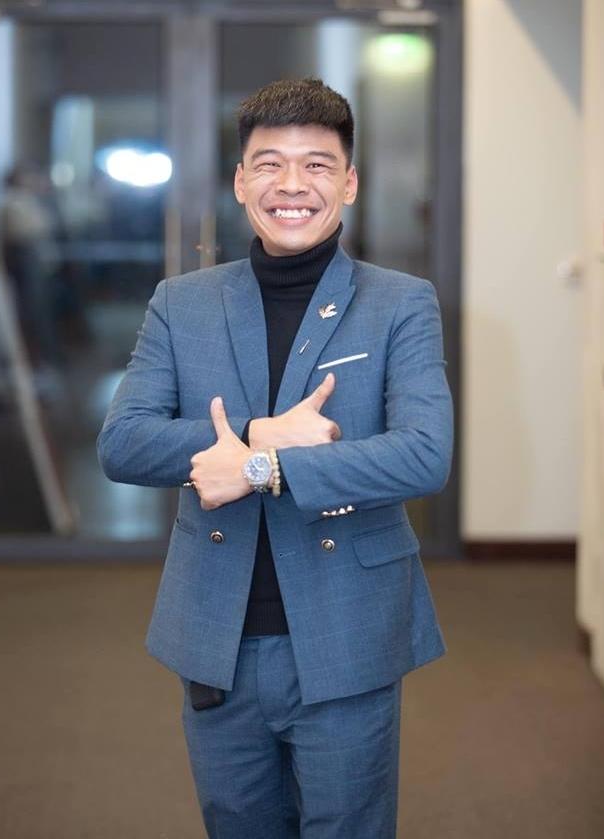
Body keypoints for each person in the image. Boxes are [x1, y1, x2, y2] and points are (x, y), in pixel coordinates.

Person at [98, 78, 453, 839]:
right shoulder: (182, 302)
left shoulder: (399, 302)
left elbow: (424, 455)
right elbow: (123, 441)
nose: (292, 185)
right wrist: (259, 434)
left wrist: (265, 470)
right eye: (269, 164)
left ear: (349, 183)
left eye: (317, 165)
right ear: (239, 181)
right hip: (217, 636)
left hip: (346, 628)